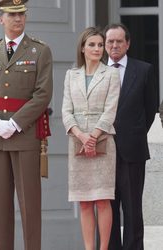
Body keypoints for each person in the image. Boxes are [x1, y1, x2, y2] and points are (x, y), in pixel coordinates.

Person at [0, 0, 53, 249]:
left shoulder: (39, 51)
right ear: (1, 19)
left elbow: (43, 94)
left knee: (30, 206)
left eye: (22, 14)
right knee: (1, 206)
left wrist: (15, 123)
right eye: (12, 14)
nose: (18, 19)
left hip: (25, 137)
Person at [62, 27, 120, 250]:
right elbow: (66, 111)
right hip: (77, 141)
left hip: (103, 140)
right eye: (92, 45)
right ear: (83, 48)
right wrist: (80, 135)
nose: (97, 49)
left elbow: (110, 110)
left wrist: (93, 136)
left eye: (99, 45)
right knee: (84, 202)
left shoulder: (111, 74)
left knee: (102, 200)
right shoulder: (71, 75)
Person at [104, 23, 157, 250]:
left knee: (133, 210)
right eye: (110, 41)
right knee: (108, 210)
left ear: (128, 43)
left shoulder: (144, 70)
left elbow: (150, 108)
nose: (114, 45)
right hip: (102, 151)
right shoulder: (95, 70)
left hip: (132, 151)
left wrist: (132, 134)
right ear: (105, 45)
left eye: (119, 41)